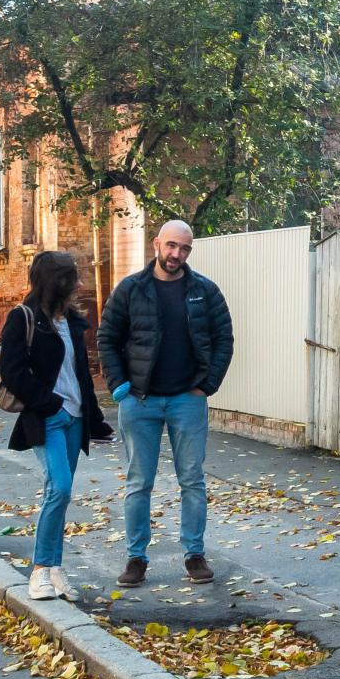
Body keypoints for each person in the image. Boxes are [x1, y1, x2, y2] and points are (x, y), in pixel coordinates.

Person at [98, 219, 234, 588]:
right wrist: (119, 385)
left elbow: (224, 339)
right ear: (157, 244)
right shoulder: (130, 289)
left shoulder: (204, 291)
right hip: (139, 401)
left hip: (186, 401)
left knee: (192, 480)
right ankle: (136, 558)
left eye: (185, 248)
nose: (177, 254)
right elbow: (107, 338)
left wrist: (206, 385)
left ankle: (194, 554)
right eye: (172, 246)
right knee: (139, 482)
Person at [0, 249, 114, 602]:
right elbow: (12, 371)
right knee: (58, 488)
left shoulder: (73, 322)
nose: (79, 283)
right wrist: (49, 404)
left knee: (61, 495)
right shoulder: (23, 318)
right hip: (46, 417)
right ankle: (39, 571)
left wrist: (95, 421)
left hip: (75, 418)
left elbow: (81, 375)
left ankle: (56, 569)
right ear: (55, 283)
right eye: (72, 277)